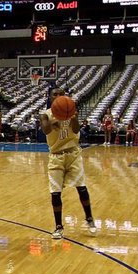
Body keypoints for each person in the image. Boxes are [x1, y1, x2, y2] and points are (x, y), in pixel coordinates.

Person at [40, 88, 97, 239]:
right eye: (55, 94)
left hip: (73, 154)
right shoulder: (45, 114)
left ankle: (89, 218)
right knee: (55, 193)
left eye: (61, 94)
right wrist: (54, 123)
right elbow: (45, 130)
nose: (58, 96)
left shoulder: (71, 111)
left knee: (82, 188)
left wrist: (74, 118)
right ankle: (59, 227)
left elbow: (77, 129)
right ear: (50, 98)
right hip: (56, 156)